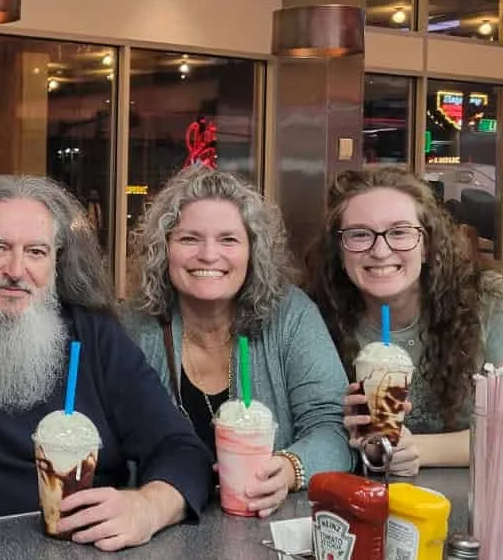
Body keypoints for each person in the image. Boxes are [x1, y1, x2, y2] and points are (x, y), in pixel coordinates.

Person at [0, 175, 211, 549]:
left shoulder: (94, 337)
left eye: (36, 252)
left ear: (56, 264)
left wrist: (147, 508)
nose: (17, 270)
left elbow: (183, 451)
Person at [123, 167, 353, 514]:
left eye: (228, 239)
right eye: (189, 239)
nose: (208, 254)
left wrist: (291, 468)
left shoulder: (290, 315)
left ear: (252, 252)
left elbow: (333, 426)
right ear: (164, 249)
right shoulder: (132, 326)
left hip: (267, 532)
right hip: (156, 530)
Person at [304, 167, 503, 476]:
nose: (380, 251)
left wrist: (416, 449)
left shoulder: (493, 304)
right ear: (340, 250)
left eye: (400, 232)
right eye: (360, 234)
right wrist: (360, 439)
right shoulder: (314, 317)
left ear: (427, 245)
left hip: (481, 500)